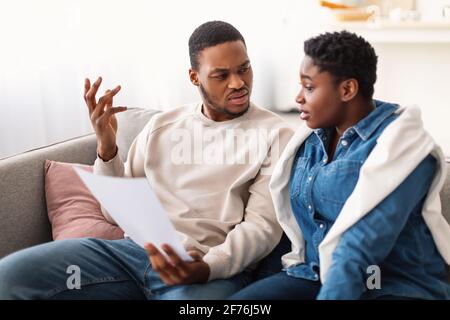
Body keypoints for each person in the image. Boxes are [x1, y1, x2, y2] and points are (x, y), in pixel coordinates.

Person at [0, 21, 293, 300]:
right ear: (194, 77)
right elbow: (115, 213)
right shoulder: (161, 127)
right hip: (130, 256)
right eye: (222, 75)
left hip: (205, 268)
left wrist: (206, 268)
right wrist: (107, 148)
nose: (238, 83)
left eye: (244, 69)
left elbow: (262, 227)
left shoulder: (275, 134)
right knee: (10, 276)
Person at [229, 30, 450, 300]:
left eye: (309, 87)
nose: (298, 97)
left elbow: (360, 244)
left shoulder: (404, 148)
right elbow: (295, 230)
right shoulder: (309, 142)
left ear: (347, 89)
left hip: (389, 285)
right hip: (314, 275)